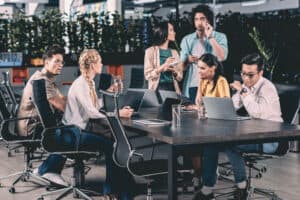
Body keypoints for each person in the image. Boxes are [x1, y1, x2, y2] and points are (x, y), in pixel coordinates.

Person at [193, 53, 283, 200]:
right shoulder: (247, 87)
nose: (246, 78)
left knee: (230, 143)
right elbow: (232, 105)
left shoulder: (267, 88)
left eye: (250, 75)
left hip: (270, 138)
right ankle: (207, 189)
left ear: (260, 73)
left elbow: (257, 113)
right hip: (254, 133)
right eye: (243, 74)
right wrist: (214, 109)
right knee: (211, 144)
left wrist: (242, 91)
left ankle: (241, 187)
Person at [62, 49, 134, 199]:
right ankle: (115, 190)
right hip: (75, 133)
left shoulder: (88, 83)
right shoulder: (82, 84)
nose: (102, 64)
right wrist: (118, 113)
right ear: (93, 65)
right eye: (100, 62)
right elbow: (92, 112)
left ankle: (120, 187)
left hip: (80, 130)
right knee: (114, 145)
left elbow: (94, 105)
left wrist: (108, 92)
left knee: (116, 140)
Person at [17, 45, 69, 186]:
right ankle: (49, 170)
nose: (60, 65)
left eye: (62, 62)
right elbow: (62, 106)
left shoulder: (47, 78)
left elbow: (62, 99)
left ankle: (47, 168)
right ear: (47, 62)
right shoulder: (42, 80)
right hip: (31, 128)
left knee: (68, 125)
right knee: (71, 132)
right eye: (56, 61)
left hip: (29, 124)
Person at [189, 53, 230, 187]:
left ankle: (206, 175)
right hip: (205, 123)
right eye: (198, 68)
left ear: (213, 68)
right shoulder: (203, 81)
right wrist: (199, 102)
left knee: (200, 144)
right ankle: (199, 175)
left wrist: (201, 107)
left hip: (219, 125)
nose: (199, 71)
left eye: (202, 68)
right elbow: (198, 103)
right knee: (192, 144)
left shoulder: (221, 81)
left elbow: (224, 105)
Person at [180, 4, 228, 102]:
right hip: (193, 85)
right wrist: (188, 60)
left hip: (212, 85)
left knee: (212, 115)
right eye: (196, 19)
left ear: (208, 20)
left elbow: (222, 57)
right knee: (193, 115)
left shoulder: (220, 37)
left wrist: (210, 37)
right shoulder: (187, 40)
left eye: (202, 19)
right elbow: (181, 67)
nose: (199, 22)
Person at [144, 21, 183, 94]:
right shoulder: (150, 51)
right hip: (157, 88)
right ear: (164, 33)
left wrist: (174, 71)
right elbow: (147, 75)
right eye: (171, 30)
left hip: (173, 89)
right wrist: (163, 67)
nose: (174, 32)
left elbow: (180, 77)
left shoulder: (174, 53)